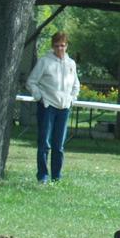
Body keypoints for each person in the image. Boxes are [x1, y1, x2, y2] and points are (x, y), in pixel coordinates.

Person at [26, 30, 80, 184]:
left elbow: (76, 85)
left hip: (64, 109)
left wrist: (71, 99)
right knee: (44, 143)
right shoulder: (44, 61)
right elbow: (31, 82)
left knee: (59, 145)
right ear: (52, 46)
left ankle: (56, 176)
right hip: (48, 107)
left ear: (67, 46)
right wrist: (40, 98)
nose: (60, 49)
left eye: (62, 46)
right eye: (57, 46)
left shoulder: (71, 64)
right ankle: (42, 176)